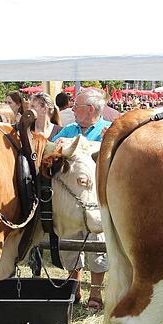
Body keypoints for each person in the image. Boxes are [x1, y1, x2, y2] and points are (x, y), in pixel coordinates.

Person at [54, 88, 110, 310]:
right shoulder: (68, 130)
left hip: (95, 200)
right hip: (69, 200)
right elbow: (52, 153)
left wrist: (108, 146)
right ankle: (74, 289)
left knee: (97, 244)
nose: (72, 109)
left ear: (89, 110)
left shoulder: (108, 131)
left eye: (75, 106)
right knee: (69, 245)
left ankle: (95, 294)